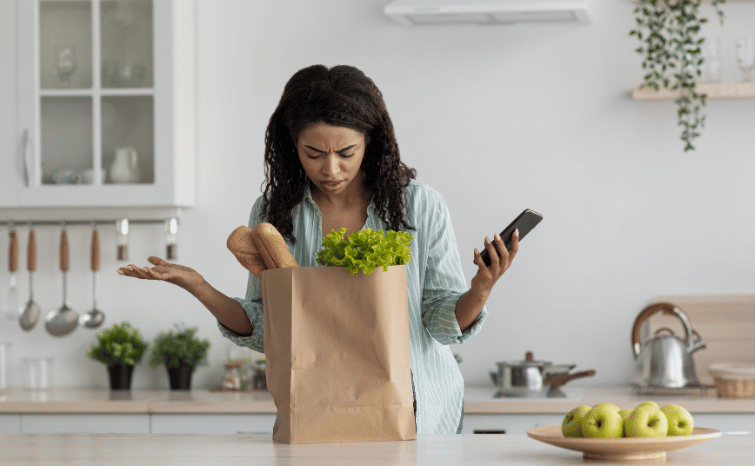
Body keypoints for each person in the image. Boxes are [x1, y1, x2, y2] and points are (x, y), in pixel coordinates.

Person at [117, 64, 519, 434]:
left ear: (371, 143)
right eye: (314, 153)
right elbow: (265, 328)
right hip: (321, 405)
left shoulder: (420, 206)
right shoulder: (274, 213)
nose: (331, 169)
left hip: (417, 405)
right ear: (292, 146)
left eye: (346, 153)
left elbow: (438, 322)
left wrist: (481, 289)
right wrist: (199, 285)